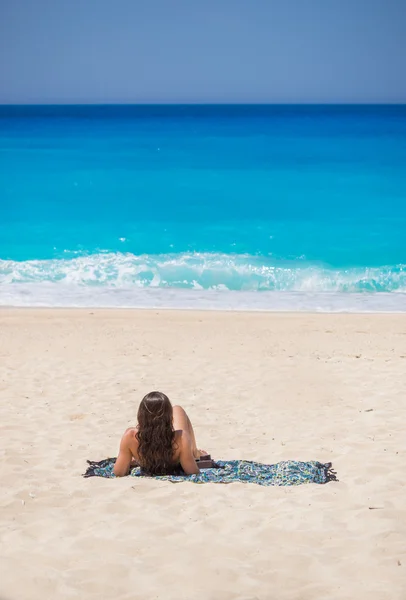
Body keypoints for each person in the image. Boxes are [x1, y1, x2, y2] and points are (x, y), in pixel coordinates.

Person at [113, 391, 207, 477]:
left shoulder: (130, 436)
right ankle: (195, 452)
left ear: (140, 416)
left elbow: (119, 472)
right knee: (178, 409)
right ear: (169, 417)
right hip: (172, 457)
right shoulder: (181, 439)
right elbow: (192, 472)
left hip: (145, 459)